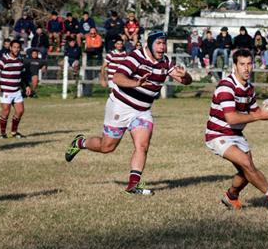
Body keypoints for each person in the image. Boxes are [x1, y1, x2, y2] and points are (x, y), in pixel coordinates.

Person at [65, 31, 192, 195]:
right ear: (150, 44)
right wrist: (136, 82)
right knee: (107, 147)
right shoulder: (135, 57)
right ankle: (80, 142)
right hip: (120, 106)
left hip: (142, 111)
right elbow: (117, 78)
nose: (162, 47)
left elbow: (186, 81)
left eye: (164, 44)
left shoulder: (166, 62)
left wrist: (185, 75)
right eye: (159, 43)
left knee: (142, 146)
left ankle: (133, 185)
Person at [205, 49, 268, 212]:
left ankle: (231, 196)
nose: (246, 68)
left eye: (249, 64)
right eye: (242, 64)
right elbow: (231, 118)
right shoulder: (226, 86)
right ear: (235, 66)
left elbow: (255, 112)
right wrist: (259, 116)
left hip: (236, 134)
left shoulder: (249, 89)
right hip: (218, 134)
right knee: (246, 164)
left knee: (246, 170)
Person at [0, 40, 31, 138]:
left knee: (20, 111)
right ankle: (3, 133)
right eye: (14, 47)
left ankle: (14, 132)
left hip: (16, 90)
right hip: (5, 90)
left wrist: (26, 86)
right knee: (6, 111)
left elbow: (22, 75)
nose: (16, 49)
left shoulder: (20, 59)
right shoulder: (3, 59)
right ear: (10, 48)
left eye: (18, 47)